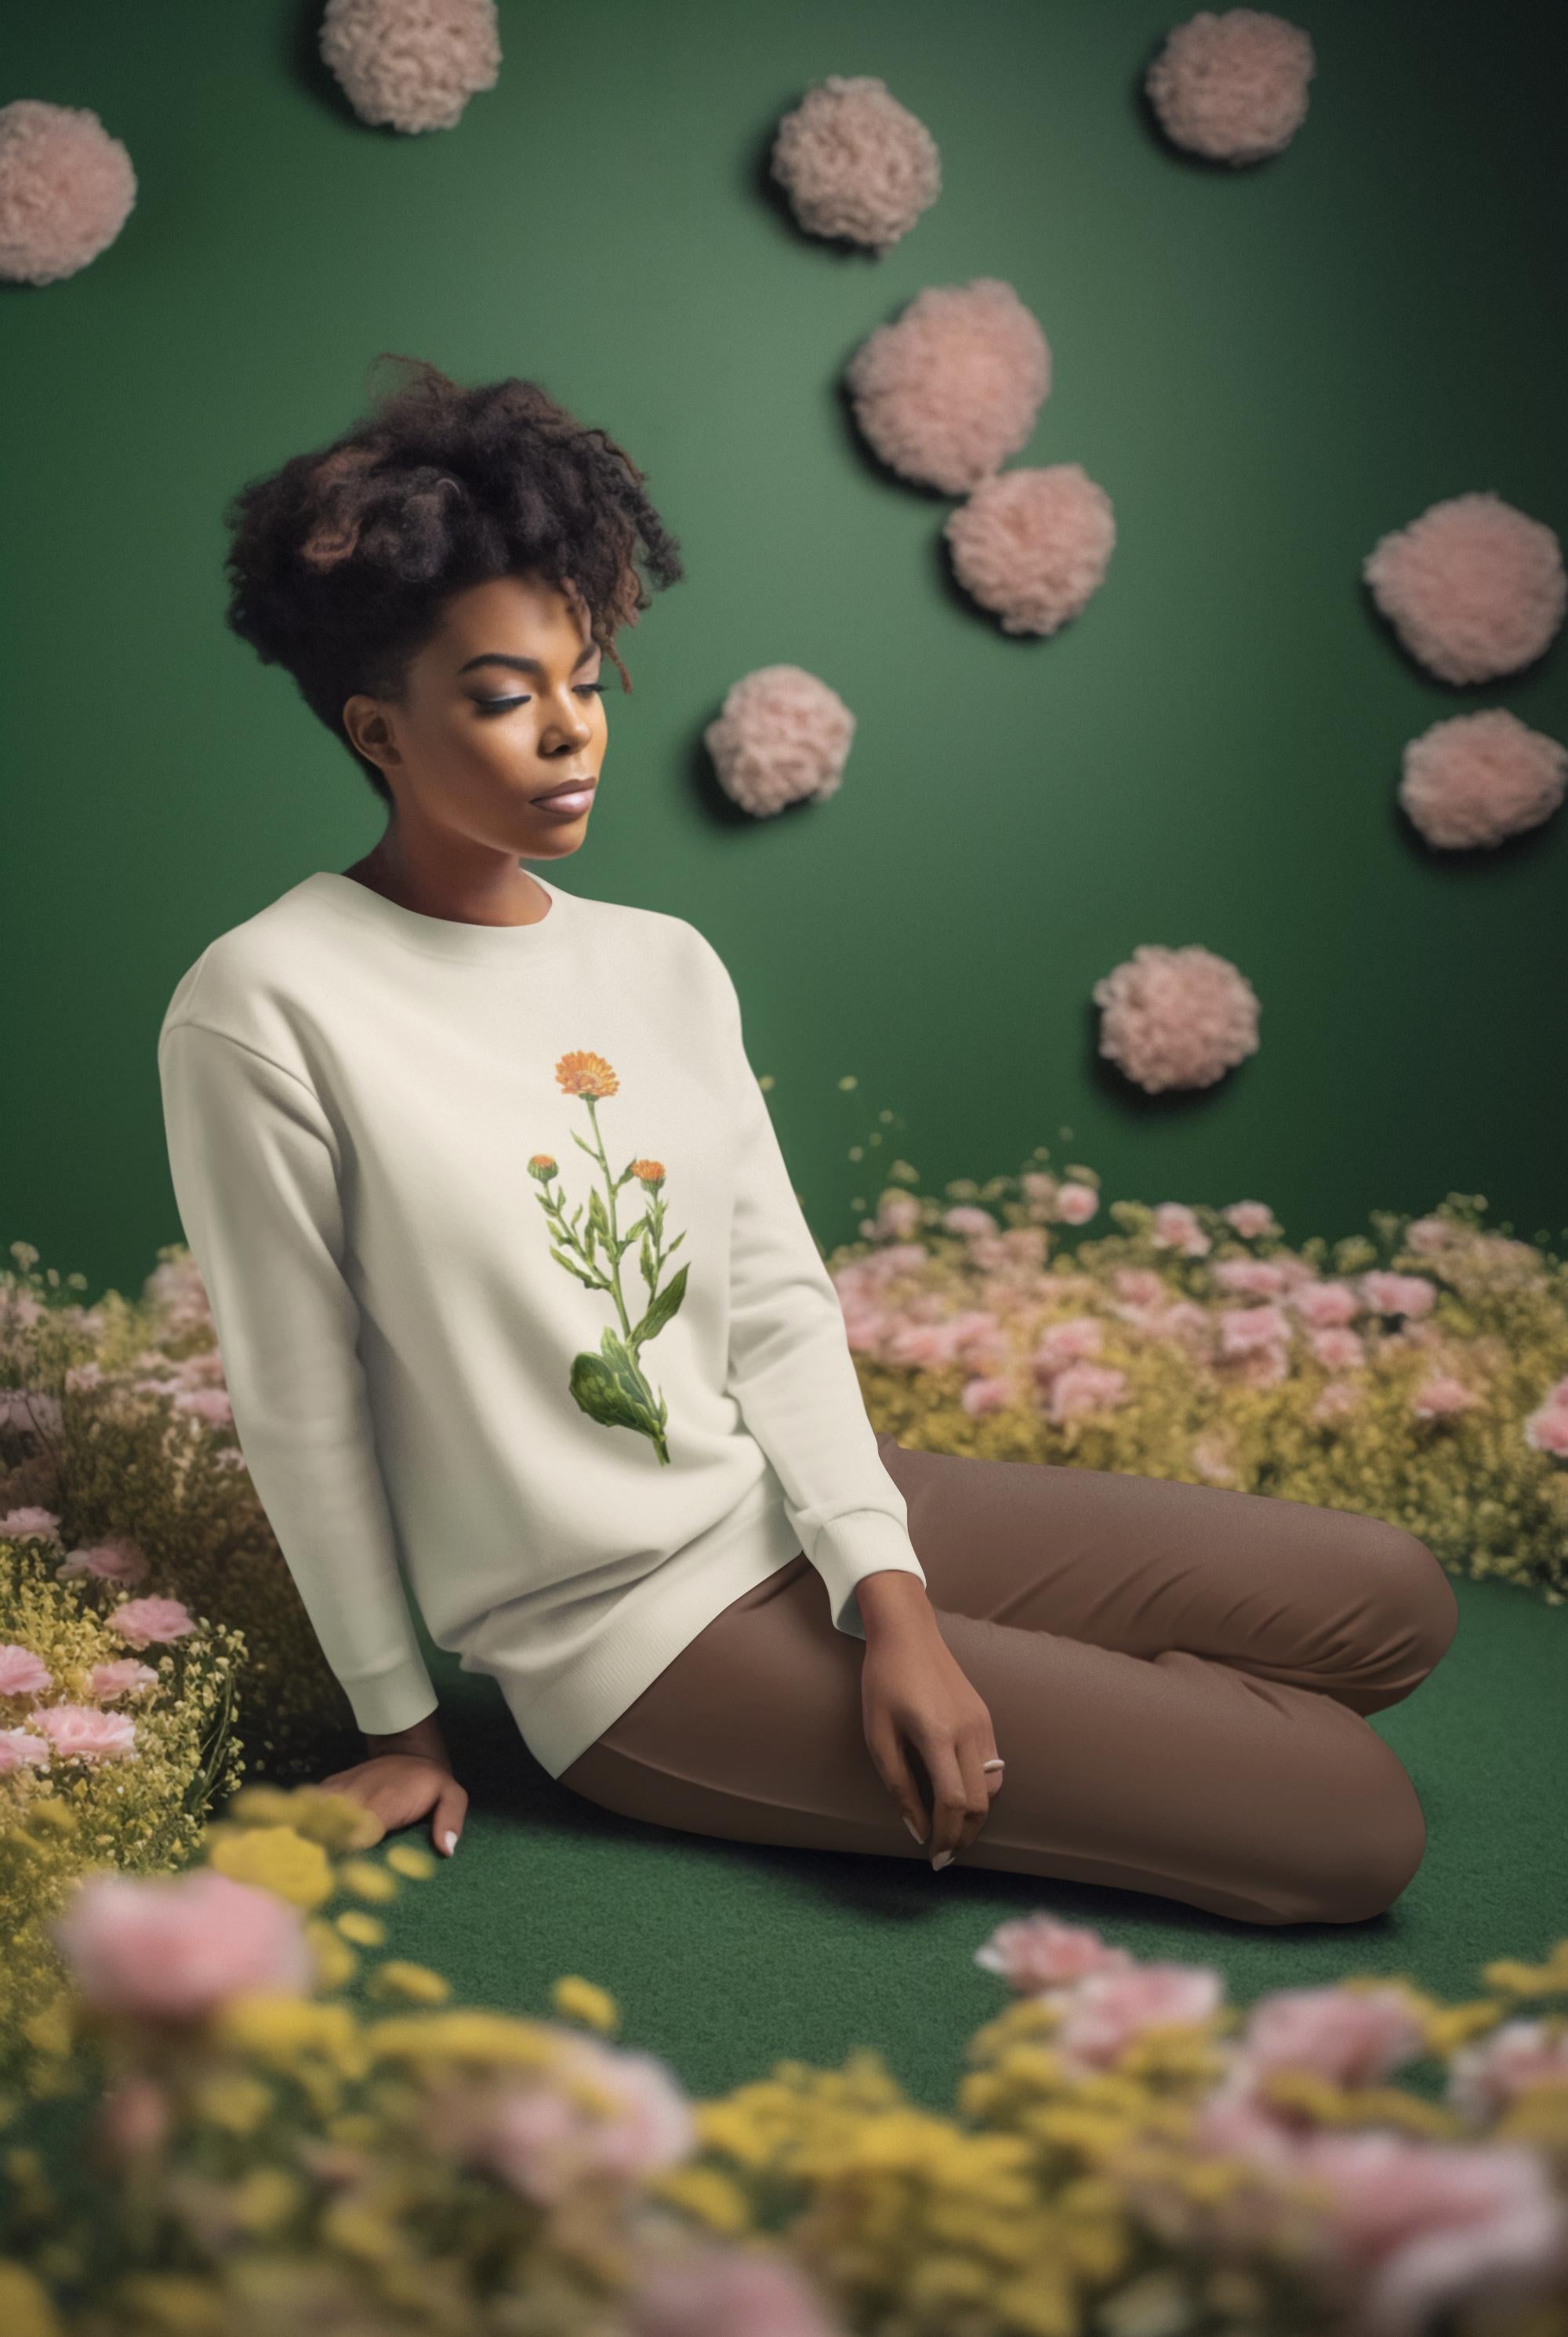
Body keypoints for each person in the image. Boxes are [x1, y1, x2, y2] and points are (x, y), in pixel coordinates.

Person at [158, 356, 1459, 1932]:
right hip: (631, 1645)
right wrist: (400, 1724)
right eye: (505, 696)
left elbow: (773, 1300)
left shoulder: (661, 961)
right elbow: (303, 1405)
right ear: (377, 724)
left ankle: (1091, 1704)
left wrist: (890, 1597)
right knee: (1350, 1820)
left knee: (1391, 1600)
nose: (572, 733)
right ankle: (1141, 1736)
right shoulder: (265, 1000)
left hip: (785, 1509)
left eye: (584, 677)